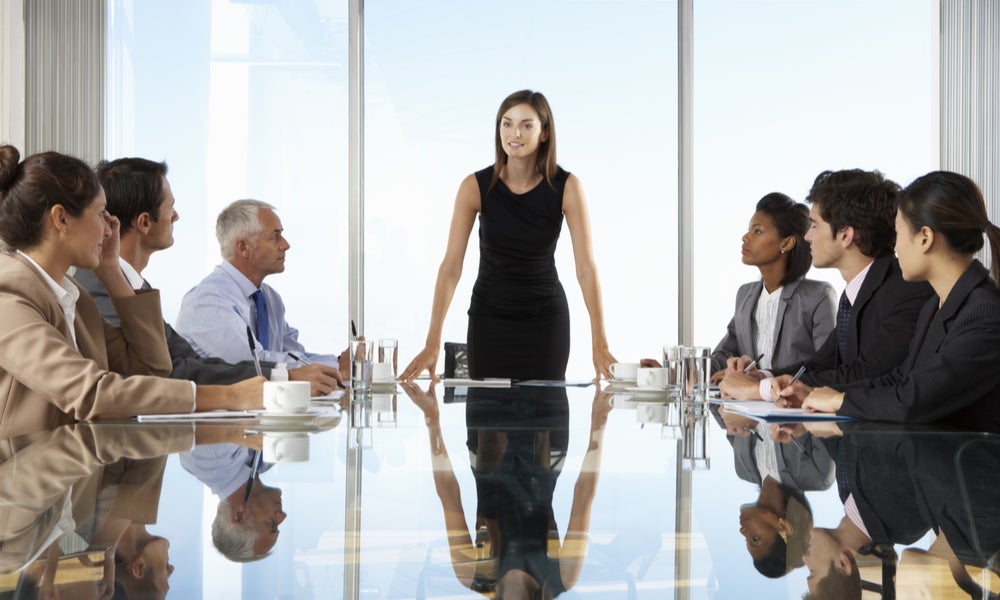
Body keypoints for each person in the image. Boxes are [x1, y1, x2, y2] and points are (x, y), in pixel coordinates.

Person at [0, 145, 263, 436]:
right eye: (101, 214)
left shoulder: (73, 298)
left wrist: (112, 272)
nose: (110, 228)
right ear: (61, 219)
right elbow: (90, 394)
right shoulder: (8, 298)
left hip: (72, 475)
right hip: (21, 476)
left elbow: (151, 369)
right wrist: (228, 397)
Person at [74, 158, 342, 395]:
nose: (176, 216)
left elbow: (190, 361)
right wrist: (283, 379)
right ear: (145, 222)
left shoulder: (135, 285)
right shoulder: (99, 287)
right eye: (170, 208)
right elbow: (168, 373)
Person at [400, 90, 616, 382]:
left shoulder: (567, 187)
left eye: (527, 125)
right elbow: (450, 268)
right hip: (489, 321)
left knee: (546, 420)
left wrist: (599, 345)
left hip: (546, 322)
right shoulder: (474, 187)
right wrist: (431, 343)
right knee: (487, 420)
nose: (515, 133)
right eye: (507, 123)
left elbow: (586, 270)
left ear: (544, 133)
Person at [782, 171, 1000, 429]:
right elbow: (900, 378)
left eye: (898, 234)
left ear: (925, 238)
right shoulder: (936, 305)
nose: (894, 248)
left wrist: (840, 400)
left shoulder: (985, 311)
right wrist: (813, 392)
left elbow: (914, 399)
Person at [719, 169, 934, 401]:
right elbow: (818, 365)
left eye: (814, 225)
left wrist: (763, 390)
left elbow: (867, 373)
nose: (808, 236)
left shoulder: (906, 289)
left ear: (845, 235)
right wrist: (760, 376)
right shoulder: (855, 293)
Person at [175, 199, 345, 374]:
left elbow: (296, 356)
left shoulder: (269, 298)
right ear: (243, 247)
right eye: (275, 236)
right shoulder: (207, 301)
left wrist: (340, 363)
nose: (286, 245)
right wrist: (336, 368)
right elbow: (255, 364)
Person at [709, 193, 837, 382]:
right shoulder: (745, 294)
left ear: (786, 242)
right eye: (749, 230)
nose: (745, 237)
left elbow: (827, 366)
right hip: (749, 406)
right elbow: (722, 356)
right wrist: (671, 372)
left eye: (757, 231)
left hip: (794, 406)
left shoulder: (818, 296)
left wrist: (763, 379)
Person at [179, 444, 285, 562]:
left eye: (272, 524)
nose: (282, 516)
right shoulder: (265, 462)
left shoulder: (204, 461)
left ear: (239, 514)